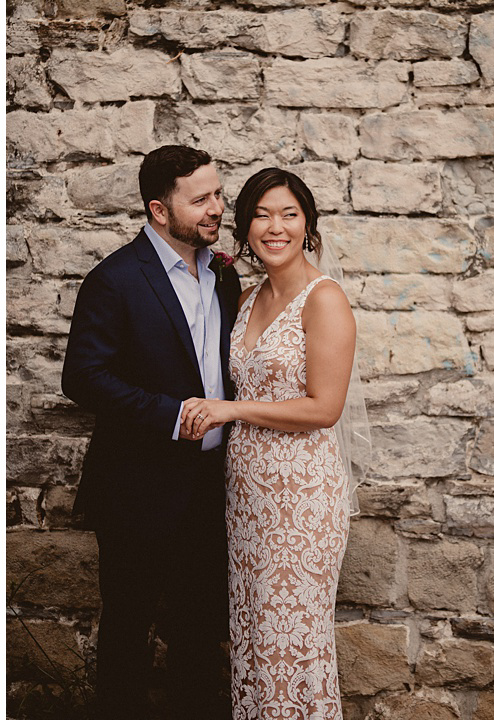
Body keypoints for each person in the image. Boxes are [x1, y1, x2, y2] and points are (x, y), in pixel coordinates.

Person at [62, 145, 238, 717]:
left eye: (218, 193)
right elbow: (82, 377)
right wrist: (171, 414)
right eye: (202, 199)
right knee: (128, 629)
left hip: (211, 489)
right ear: (159, 211)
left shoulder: (224, 279)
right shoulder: (115, 279)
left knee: (200, 628)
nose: (218, 207)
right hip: (136, 490)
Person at [180, 168, 356, 718]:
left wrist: (230, 410)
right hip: (247, 499)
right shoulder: (247, 297)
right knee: (254, 638)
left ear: (308, 225)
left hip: (302, 498)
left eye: (288, 214)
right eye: (261, 214)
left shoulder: (324, 300)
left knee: (290, 643)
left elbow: (324, 408)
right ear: (245, 227)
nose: (274, 227)